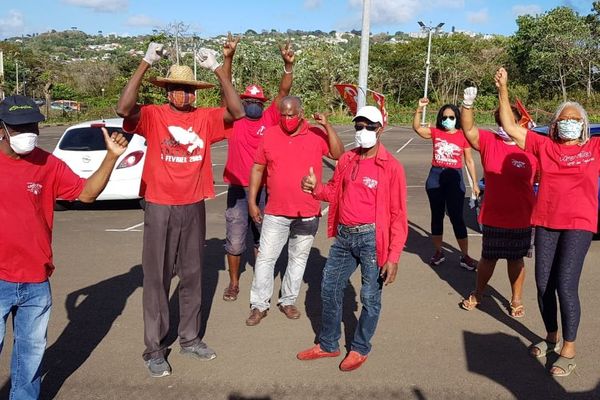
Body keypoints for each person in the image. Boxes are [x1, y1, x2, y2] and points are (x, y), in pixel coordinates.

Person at [116, 42, 245, 377]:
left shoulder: (205, 119)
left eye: (188, 90)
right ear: (167, 91)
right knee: (156, 277)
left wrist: (218, 67)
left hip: (192, 205)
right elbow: (123, 107)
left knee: (192, 275)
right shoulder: (153, 115)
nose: (183, 95)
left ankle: (189, 339)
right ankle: (154, 349)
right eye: (176, 89)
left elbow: (238, 111)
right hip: (159, 205)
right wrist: (145, 63)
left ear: (195, 95)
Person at [0, 95, 129, 399]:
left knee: (30, 359)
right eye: (19, 128)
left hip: (36, 280)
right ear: (1, 130)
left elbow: (86, 194)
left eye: (32, 124)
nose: (28, 132)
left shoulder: (48, 163)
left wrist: (111, 157)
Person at [495, 67, 600, 377]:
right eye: (563, 119)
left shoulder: (594, 148)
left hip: (578, 224)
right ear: (555, 125)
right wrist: (503, 89)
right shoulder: (545, 147)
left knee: (566, 285)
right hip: (546, 222)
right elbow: (511, 127)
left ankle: (569, 346)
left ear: (583, 126)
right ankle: (551, 335)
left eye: (574, 120)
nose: (568, 123)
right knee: (543, 285)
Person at [296, 106, 408, 371]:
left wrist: (393, 257)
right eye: (359, 126)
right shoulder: (346, 159)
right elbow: (335, 192)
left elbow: (399, 215)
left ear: (380, 129)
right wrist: (316, 189)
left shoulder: (391, 167)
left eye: (369, 127)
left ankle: (360, 348)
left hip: (372, 239)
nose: (363, 131)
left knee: (370, 297)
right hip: (344, 237)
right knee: (329, 287)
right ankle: (328, 344)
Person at [245, 96, 343, 326]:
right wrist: (252, 202)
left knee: (298, 259)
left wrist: (326, 126)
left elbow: (338, 154)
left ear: (301, 113)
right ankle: (259, 305)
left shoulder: (315, 135)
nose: (287, 119)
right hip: (276, 211)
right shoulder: (269, 134)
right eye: (284, 114)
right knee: (266, 259)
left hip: (307, 212)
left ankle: (287, 300)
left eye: (292, 114)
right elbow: (258, 168)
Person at [220, 34, 295, 302]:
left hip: (265, 190)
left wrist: (288, 67)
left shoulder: (270, 118)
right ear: (240, 102)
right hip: (238, 191)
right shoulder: (234, 119)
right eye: (247, 101)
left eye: (257, 102)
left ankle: (261, 282)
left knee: (263, 239)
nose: (252, 105)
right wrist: (228, 57)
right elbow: (225, 84)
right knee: (235, 239)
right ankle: (233, 283)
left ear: (263, 104)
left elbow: (284, 92)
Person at [459, 87, 537, 318]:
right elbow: (469, 129)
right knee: (488, 258)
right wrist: (467, 104)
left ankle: (516, 299)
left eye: (510, 122)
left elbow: (543, 176)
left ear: (519, 123)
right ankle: (478, 293)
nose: (505, 126)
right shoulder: (489, 141)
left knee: (516, 259)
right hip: (494, 214)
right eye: (501, 122)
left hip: (522, 216)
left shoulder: (531, 147)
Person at [412, 99, 480, 270]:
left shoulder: (462, 136)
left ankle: (465, 255)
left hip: (454, 178)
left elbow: (469, 161)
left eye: (451, 117)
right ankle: (438, 251)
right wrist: (419, 109)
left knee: (457, 218)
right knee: (437, 217)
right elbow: (418, 128)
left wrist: (474, 184)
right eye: (444, 117)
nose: (447, 120)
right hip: (435, 177)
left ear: (456, 117)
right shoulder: (436, 132)